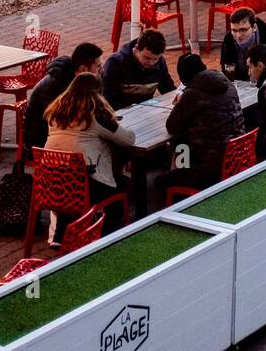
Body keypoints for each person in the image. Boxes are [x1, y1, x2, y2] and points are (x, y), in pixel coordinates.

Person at [43, 74, 134, 234]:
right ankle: (103, 234)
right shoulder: (97, 115)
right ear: (97, 93)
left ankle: (62, 234)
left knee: (75, 174)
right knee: (124, 186)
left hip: (50, 183)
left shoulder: (55, 111)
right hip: (82, 185)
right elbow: (128, 139)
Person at [156, 53, 245, 196]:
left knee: (160, 182)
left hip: (211, 168)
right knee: (181, 144)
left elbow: (172, 127)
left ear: (185, 79)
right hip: (238, 157)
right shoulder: (228, 84)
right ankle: (180, 170)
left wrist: (180, 104)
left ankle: (180, 201)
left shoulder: (192, 94)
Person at [23, 41, 103, 156]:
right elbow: (61, 120)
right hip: (42, 142)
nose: (101, 69)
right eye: (98, 66)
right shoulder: (55, 86)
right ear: (83, 68)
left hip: (61, 135)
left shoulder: (79, 80)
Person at [100, 29, 176, 109]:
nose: (151, 63)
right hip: (120, 111)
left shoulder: (160, 62)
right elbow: (107, 99)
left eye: (155, 59)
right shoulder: (115, 64)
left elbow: (168, 89)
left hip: (145, 109)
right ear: (136, 49)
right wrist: (134, 110)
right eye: (147, 58)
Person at [220, 6, 266, 82]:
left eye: (243, 30)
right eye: (234, 30)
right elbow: (226, 69)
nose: (238, 35)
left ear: (254, 27)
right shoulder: (228, 41)